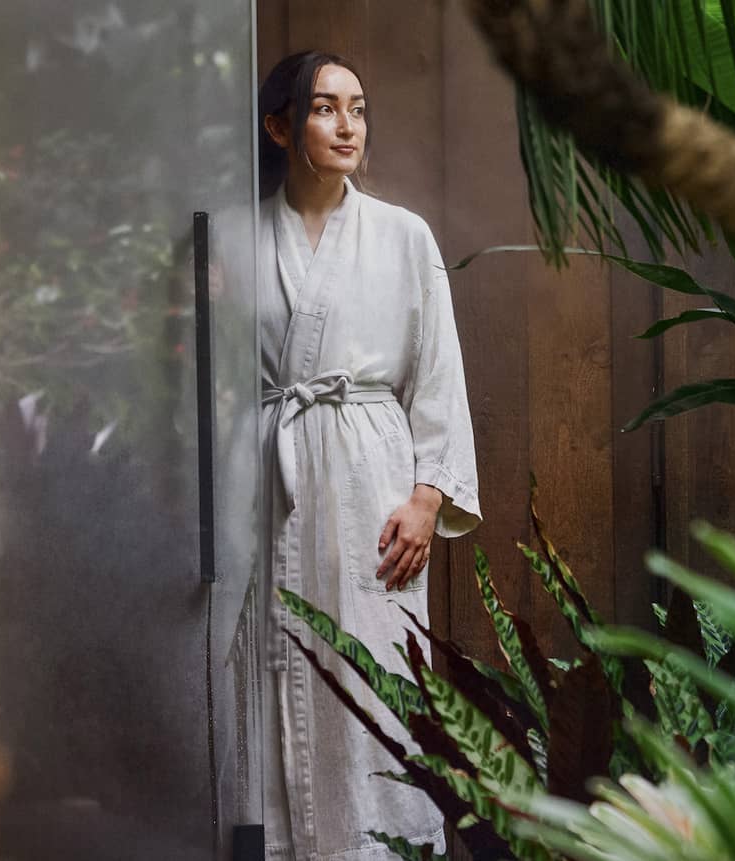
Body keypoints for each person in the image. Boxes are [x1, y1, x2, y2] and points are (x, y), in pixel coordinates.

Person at [258, 51, 482, 860]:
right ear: (281, 125)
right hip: (274, 475)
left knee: (375, 675)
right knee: (273, 667)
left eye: (358, 106)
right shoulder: (240, 236)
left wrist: (427, 497)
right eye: (325, 107)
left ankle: (385, 847)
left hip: (370, 484)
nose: (348, 124)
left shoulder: (402, 235)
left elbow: (439, 373)